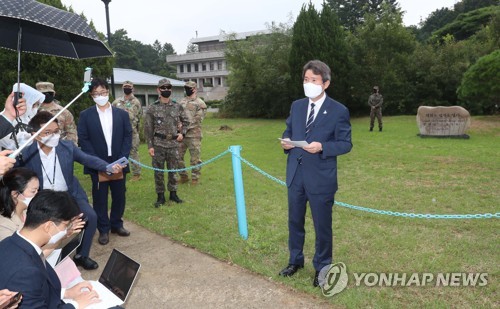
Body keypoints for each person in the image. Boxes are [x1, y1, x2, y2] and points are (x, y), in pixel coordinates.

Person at [279, 60, 352, 287]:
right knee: (295, 221)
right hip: (296, 174)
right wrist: (286, 142)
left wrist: (322, 147)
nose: (309, 84)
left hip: (321, 178)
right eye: (306, 80)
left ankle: (322, 268)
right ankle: (295, 260)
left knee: (322, 226)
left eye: (314, 80)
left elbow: (345, 143)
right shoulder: (297, 106)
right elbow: (289, 130)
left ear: (325, 84)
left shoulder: (339, 110)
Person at [19, 112, 124, 269]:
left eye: (56, 131)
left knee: (90, 217)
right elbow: (16, 175)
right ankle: (48, 258)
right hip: (44, 198)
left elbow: (87, 158)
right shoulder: (26, 153)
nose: (53, 136)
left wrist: (107, 167)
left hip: (69, 194)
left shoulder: (67, 147)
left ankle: (82, 255)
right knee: (47, 227)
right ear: (35, 135)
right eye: (47, 132)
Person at [0, 190, 101, 308]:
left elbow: (35, 292)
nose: (66, 230)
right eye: (66, 225)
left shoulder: (9, 243)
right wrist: (76, 304)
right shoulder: (27, 271)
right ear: (48, 226)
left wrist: (66, 293)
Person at [78, 78, 132, 246]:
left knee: (119, 195)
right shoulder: (86, 115)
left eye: (103, 92)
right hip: (97, 162)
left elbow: (127, 136)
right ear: (91, 95)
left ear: (108, 92)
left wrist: (122, 159)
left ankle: (116, 224)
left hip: (118, 161)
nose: (100, 96)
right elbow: (84, 140)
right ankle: (103, 229)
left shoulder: (121, 114)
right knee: (100, 197)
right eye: (96, 94)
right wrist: (97, 162)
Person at [144, 78, 188, 207]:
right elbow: (148, 128)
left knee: (173, 170)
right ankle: (160, 196)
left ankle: (173, 194)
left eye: (168, 88)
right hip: (158, 144)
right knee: (158, 171)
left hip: (174, 144)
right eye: (163, 88)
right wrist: (150, 146)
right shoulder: (152, 108)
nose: (166, 90)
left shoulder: (177, 106)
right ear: (158, 90)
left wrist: (182, 133)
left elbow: (186, 121)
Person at [112, 81, 143, 181]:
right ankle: (120, 171)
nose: (127, 88)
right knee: (119, 152)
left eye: (129, 87)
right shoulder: (116, 102)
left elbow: (137, 116)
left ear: (132, 88)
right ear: (122, 87)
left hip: (132, 132)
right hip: (119, 132)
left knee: (133, 152)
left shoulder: (136, 102)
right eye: (125, 86)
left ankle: (136, 174)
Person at [177, 81, 207, 185]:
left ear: (194, 89)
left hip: (194, 135)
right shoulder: (181, 102)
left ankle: (195, 178)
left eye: (189, 88)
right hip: (181, 136)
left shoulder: (200, 103)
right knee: (177, 156)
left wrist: (184, 129)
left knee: (195, 158)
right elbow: (177, 116)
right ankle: (183, 176)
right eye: (186, 87)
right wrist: (178, 127)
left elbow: (197, 120)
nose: (187, 89)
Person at [0, 168, 39, 240]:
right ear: (15, 194)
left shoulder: (31, 212)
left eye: (38, 190)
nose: (37, 194)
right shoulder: (4, 224)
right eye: (33, 191)